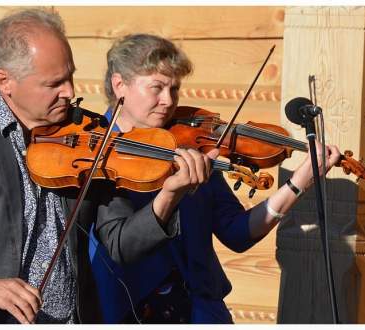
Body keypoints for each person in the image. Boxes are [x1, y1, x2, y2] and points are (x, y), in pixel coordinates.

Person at [0, 11, 212, 324]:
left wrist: (169, 195)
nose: (70, 92)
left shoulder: (90, 133)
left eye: (70, 76)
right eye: (54, 83)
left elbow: (120, 243)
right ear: (5, 81)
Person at [89, 33, 341, 324]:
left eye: (175, 88)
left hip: (203, 313)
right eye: (156, 88)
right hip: (129, 312)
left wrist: (298, 183)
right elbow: (121, 244)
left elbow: (237, 232)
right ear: (120, 85)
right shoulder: (97, 154)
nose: (168, 101)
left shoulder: (188, 145)